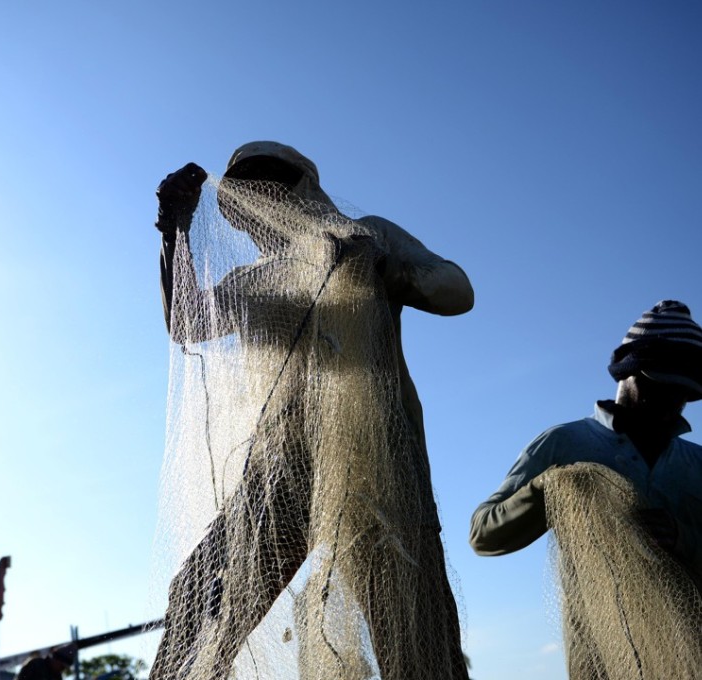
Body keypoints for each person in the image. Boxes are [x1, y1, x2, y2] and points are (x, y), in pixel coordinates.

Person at [152, 141, 474, 680]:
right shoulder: (252, 282)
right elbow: (187, 321)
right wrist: (173, 229)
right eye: (244, 196)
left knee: (416, 644)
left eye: (271, 187)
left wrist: (384, 267)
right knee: (198, 597)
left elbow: (456, 290)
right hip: (282, 469)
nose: (260, 202)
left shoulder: (366, 236)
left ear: (302, 188)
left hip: (380, 471)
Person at [469, 300, 702, 677]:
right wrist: (550, 486)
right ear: (626, 373)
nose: (670, 404)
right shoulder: (564, 444)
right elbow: (483, 534)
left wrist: (682, 538)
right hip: (601, 662)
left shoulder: (697, 465)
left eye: (683, 393)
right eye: (659, 387)